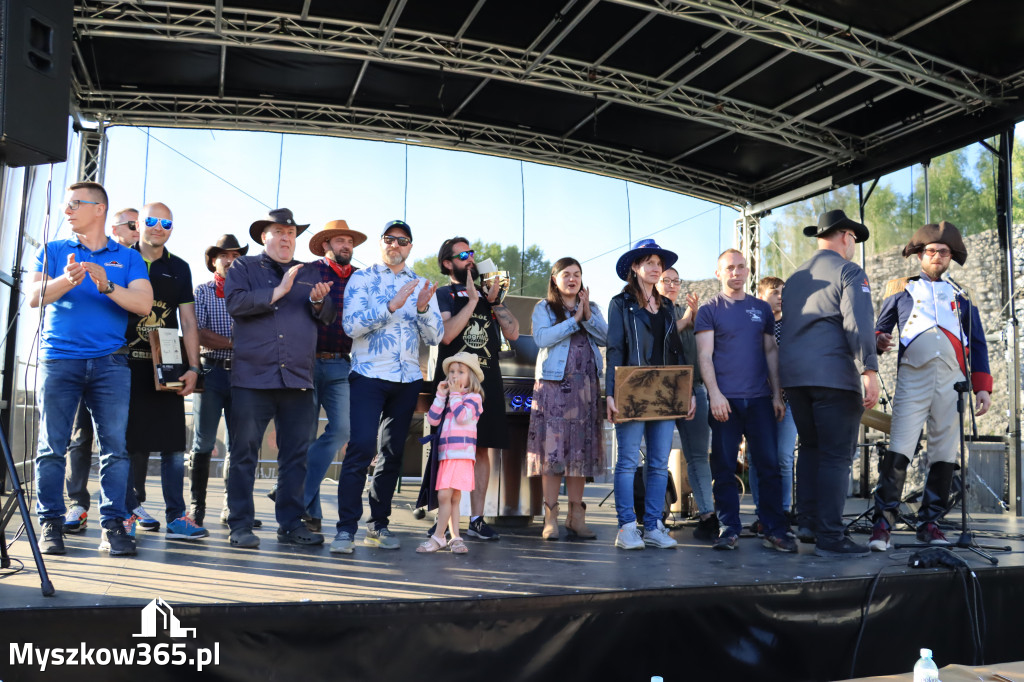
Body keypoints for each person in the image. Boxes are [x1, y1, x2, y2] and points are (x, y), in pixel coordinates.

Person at [29, 181, 152, 556]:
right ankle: (51, 523)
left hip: (110, 364)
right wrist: (68, 279)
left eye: (75, 204)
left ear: (99, 209)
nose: (67, 210)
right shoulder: (52, 250)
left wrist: (107, 285)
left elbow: (144, 304)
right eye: (67, 205)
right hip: (59, 360)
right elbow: (34, 297)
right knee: (52, 446)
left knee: (115, 448)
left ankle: (114, 526)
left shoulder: (128, 257)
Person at [869, 221, 992, 551]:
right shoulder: (901, 290)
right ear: (919, 255)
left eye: (943, 251)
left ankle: (930, 522)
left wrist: (983, 386)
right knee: (900, 447)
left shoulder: (963, 296)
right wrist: (880, 341)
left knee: (944, 452)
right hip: (914, 377)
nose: (937, 255)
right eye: (931, 251)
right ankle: (883, 522)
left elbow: (977, 343)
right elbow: (879, 333)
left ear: (951, 256)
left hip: (953, 380)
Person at [225, 208, 335, 549]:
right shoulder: (242, 267)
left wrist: (318, 303)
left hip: (298, 379)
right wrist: (278, 291)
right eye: (279, 231)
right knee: (244, 453)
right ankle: (240, 524)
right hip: (251, 377)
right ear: (264, 237)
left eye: (291, 232)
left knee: (295, 456)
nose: (287, 237)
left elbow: (328, 317)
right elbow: (235, 303)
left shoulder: (311, 271)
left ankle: (290, 523)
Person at [332, 220, 442, 554]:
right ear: (381, 244)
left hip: (407, 378)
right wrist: (391, 306)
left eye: (403, 241)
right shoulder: (361, 278)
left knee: (392, 455)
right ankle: (345, 530)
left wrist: (422, 308)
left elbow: (435, 336)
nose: (396, 245)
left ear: (411, 247)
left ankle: (378, 525)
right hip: (368, 374)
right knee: (362, 448)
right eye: (389, 239)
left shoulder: (422, 284)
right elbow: (350, 326)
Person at [780, 209, 879, 557]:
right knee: (837, 456)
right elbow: (859, 325)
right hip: (833, 377)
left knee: (809, 449)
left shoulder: (793, 279)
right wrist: (869, 368)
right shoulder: (850, 271)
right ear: (847, 236)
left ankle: (807, 524)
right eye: (853, 239)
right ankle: (831, 538)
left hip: (795, 378)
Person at [695, 250, 793, 552]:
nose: (735, 273)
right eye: (729, 268)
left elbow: (770, 352)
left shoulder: (761, 309)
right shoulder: (709, 309)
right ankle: (729, 528)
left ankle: (774, 529)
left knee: (769, 465)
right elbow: (704, 355)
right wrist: (715, 395)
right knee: (724, 467)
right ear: (718, 273)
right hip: (726, 401)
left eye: (740, 268)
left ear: (747, 271)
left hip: (761, 400)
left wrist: (777, 394)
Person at [121, 202, 207, 541]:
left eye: (166, 223)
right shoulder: (121, 258)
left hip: (166, 363)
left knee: (173, 444)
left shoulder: (180, 267)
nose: (159, 227)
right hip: (122, 364)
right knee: (126, 443)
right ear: (139, 223)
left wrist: (194, 368)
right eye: (153, 221)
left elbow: (187, 320)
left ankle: (177, 516)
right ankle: (123, 514)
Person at [428, 237, 520, 541]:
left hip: (486, 383)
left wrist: (493, 302)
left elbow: (514, 332)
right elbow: (448, 334)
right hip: (453, 382)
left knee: (483, 448)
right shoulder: (442, 294)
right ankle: (444, 519)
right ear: (447, 263)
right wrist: (469, 301)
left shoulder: (488, 296)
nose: (471, 259)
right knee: (448, 450)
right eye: (463, 254)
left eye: (472, 254)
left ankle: (477, 519)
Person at [606, 239, 695, 551]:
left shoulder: (668, 306)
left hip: (667, 391)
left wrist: (688, 392)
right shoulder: (620, 304)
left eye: (660, 263)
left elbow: (678, 350)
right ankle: (627, 526)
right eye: (650, 263)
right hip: (631, 387)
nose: (656, 268)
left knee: (659, 462)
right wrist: (610, 393)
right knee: (628, 460)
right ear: (635, 267)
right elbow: (615, 349)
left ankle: (654, 525)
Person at [63, 207, 139, 534]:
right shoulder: (88, 256)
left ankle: (124, 509)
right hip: (88, 357)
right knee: (80, 436)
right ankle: (77, 504)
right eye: (134, 224)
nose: (140, 230)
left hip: (129, 363)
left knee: (120, 442)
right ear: (114, 227)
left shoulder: (139, 263)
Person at [527, 257, 607, 540]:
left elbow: (606, 337)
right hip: (553, 389)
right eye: (566, 274)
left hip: (585, 389)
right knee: (553, 455)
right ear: (555, 279)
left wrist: (586, 314)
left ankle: (577, 517)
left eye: (577, 274)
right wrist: (573, 321)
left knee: (579, 455)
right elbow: (542, 339)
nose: (572, 279)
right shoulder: (544, 308)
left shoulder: (592, 308)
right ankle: (551, 518)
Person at [301, 220, 364, 533]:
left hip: (342, 363)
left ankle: (295, 493)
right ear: (326, 245)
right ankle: (310, 514)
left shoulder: (361, 277)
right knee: (305, 435)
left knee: (342, 430)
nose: (346, 246)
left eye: (349, 242)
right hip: (306, 363)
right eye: (340, 241)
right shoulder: (309, 271)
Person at [189, 234, 249, 528]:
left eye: (236, 255)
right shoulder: (202, 291)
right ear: (213, 260)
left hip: (243, 374)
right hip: (211, 371)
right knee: (204, 441)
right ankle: (197, 507)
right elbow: (199, 333)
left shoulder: (249, 292)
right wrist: (237, 343)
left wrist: (234, 345)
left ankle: (231, 506)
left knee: (240, 443)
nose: (230, 260)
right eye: (224, 255)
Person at [655, 267, 718, 540]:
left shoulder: (689, 313)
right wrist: (682, 321)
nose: (671, 285)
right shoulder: (648, 313)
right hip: (661, 390)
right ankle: (655, 516)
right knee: (657, 458)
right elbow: (655, 343)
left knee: (698, 456)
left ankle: (708, 515)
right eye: (665, 281)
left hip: (695, 389)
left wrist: (695, 321)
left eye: (675, 281)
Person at [417, 352, 485, 554]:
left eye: (460, 372)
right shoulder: (449, 398)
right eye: (452, 372)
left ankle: (439, 537)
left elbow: (463, 417)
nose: (454, 376)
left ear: (471, 376)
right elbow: (433, 420)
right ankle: (455, 538)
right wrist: (440, 395)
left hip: (461, 455)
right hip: (446, 455)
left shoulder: (474, 398)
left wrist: (454, 395)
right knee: (453, 497)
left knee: (445, 495)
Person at [746, 276, 798, 531]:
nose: (781, 296)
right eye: (775, 292)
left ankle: (784, 511)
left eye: (783, 292)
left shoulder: (793, 325)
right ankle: (762, 514)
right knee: (757, 458)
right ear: (761, 296)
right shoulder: (754, 327)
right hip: (759, 400)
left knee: (783, 457)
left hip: (788, 401)